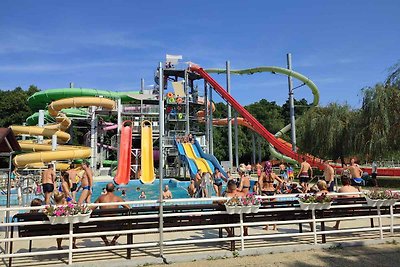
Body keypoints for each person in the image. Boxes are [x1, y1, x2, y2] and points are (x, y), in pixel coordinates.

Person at [259, 161, 282, 231]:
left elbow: (259, 182)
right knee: (274, 210)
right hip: (272, 191)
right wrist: (276, 189)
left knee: (266, 211)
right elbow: (281, 181)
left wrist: (261, 190)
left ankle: (267, 226)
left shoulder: (263, 174)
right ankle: (274, 226)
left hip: (265, 191)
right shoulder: (273, 174)